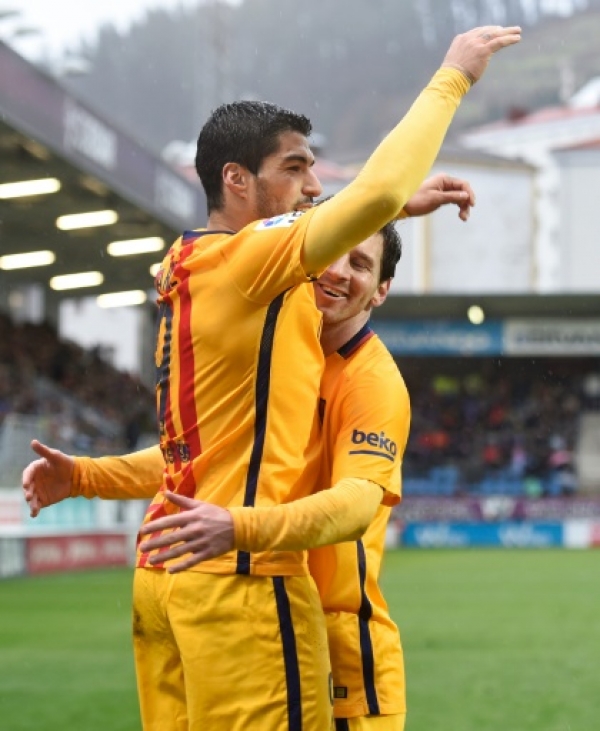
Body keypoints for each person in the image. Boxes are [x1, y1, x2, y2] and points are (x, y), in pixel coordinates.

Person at [23, 25, 521, 731]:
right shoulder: (257, 269)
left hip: (181, 579)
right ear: (237, 179)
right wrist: (454, 76)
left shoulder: (204, 274)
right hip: (245, 579)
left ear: (382, 291)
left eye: (361, 262)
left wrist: (89, 475)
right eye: (297, 169)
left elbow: (218, 454)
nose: (315, 189)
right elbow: (366, 196)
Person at [23, 210, 442, 731]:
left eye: (359, 263)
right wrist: (86, 476)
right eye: (332, 252)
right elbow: (200, 457)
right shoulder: (281, 351)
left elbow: (357, 504)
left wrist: (238, 529)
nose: (336, 270)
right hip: (256, 619)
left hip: (341, 651)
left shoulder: (372, 383)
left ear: (380, 291)